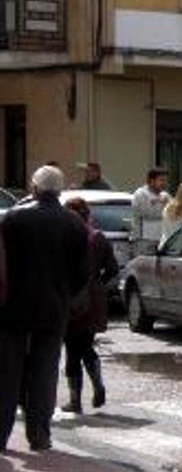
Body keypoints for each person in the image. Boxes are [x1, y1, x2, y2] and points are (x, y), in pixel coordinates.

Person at [0, 166, 89, 452]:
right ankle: (39, 435)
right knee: (44, 372)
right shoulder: (74, 223)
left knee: (7, 373)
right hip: (54, 308)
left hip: (11, 308)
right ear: (60, 191)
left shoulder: (12, 219)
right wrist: (66, 296)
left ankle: (1, 436)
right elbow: (83, 273)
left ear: (34, 188)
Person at [60, 198, 118, 414]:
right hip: (93, 298)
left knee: (72, 349)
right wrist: (97, 285)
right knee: (85, 344)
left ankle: (75, 401)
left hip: (71, 297)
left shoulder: (67, 238)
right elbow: (112, 269)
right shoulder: (98, 237)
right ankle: (97, 385)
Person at [132, 168, 170, 254]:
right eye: (161, 180)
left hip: (161, 239)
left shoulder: (165, 195)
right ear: (151, 181)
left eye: (165, 181)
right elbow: (147, 214)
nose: (164, 183)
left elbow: (171, 213)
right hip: (144, 240)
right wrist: (161, 205)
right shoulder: (140, 194)